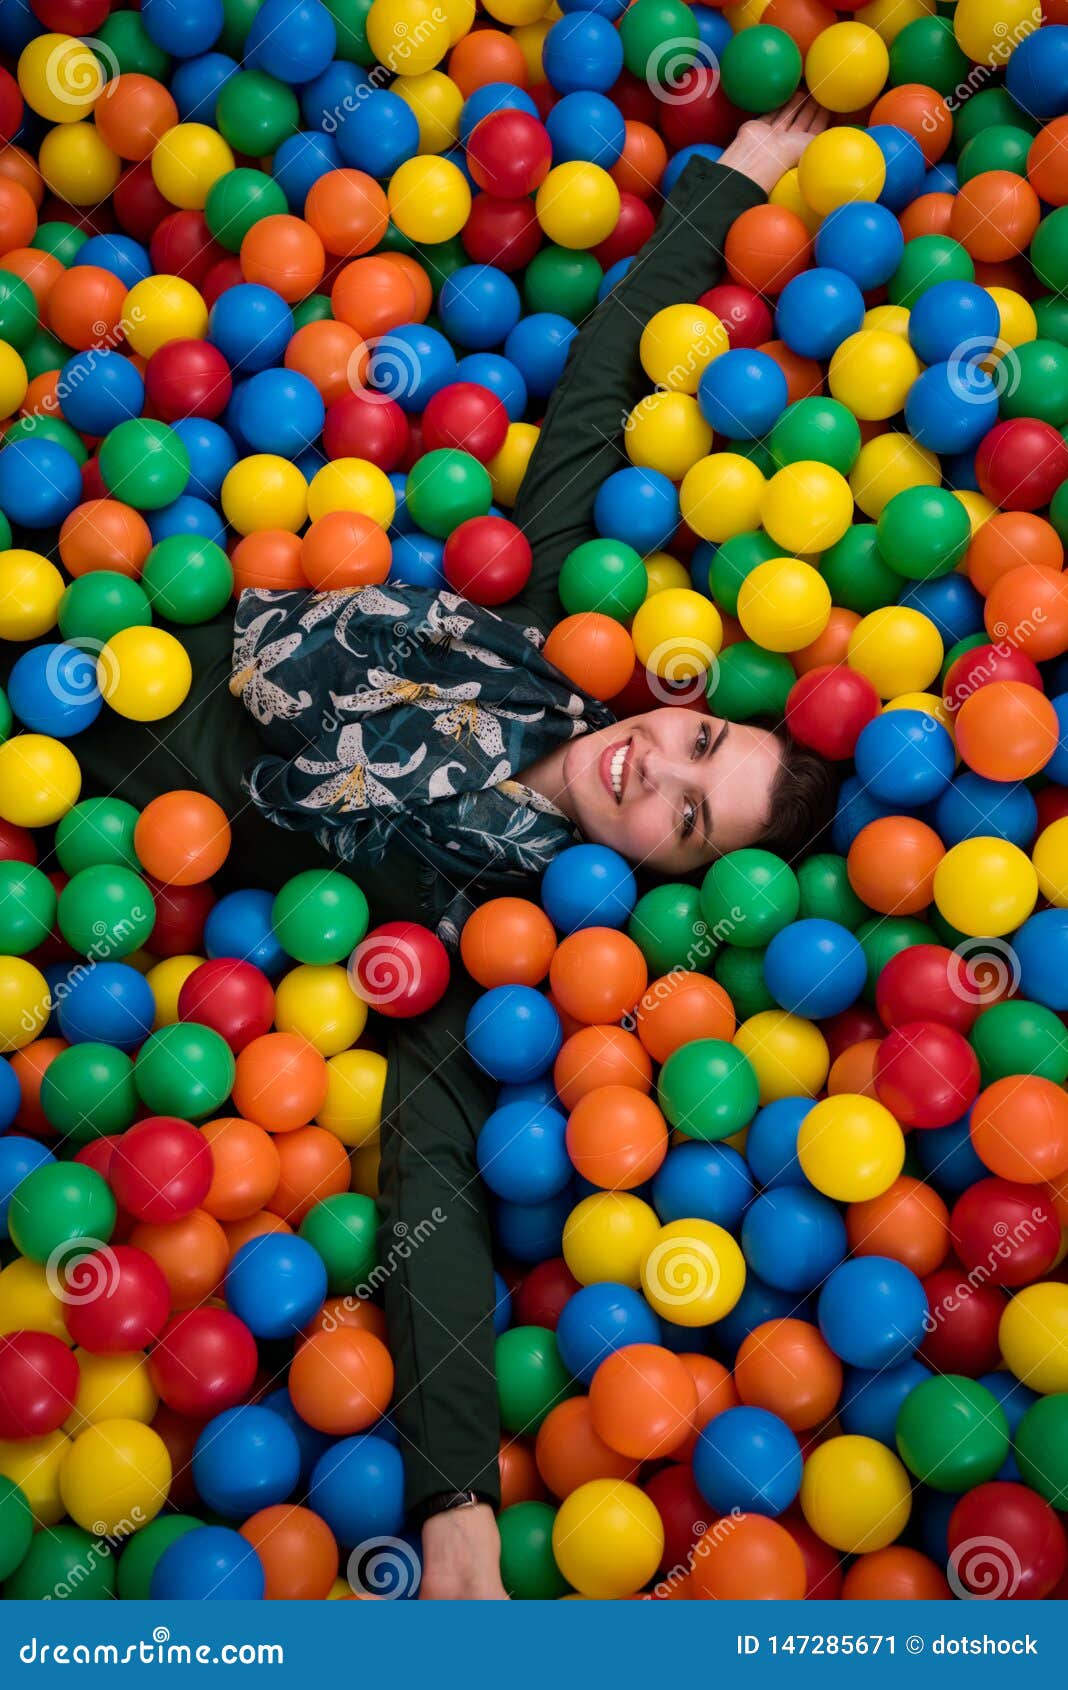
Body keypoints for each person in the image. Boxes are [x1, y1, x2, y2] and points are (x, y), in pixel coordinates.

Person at [61, 96, 835, 1599]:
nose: (656, 770)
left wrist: (457, 1502)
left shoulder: (496, 921)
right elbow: (602, 380)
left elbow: (432, 1178)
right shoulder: (544, 628)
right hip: (111, 617)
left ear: (667, 876)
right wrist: (726, 186)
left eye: (689, 816)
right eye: (694, 745)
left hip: (85, 805)